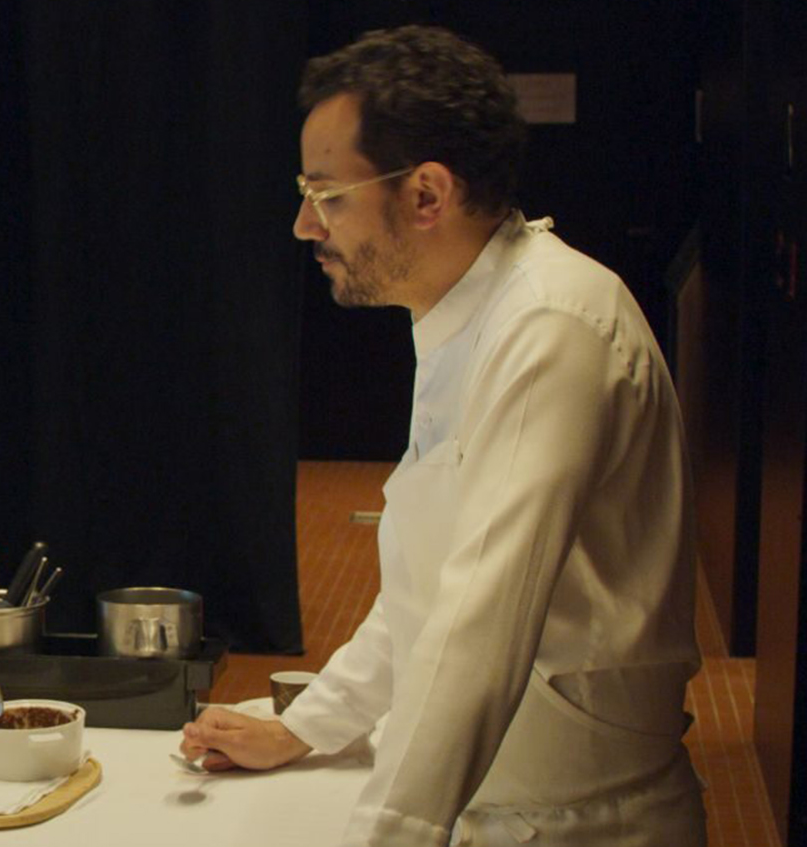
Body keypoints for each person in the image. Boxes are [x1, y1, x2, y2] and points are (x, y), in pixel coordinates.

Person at [178, 25, 704, 847]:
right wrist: (308, 723)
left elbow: (480, 623)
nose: (304, 227)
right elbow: (427, 591)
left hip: (578, 824)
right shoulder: (464, 317)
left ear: (427, 194)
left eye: (327, 195)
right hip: (498, 803)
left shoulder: (551, 327)